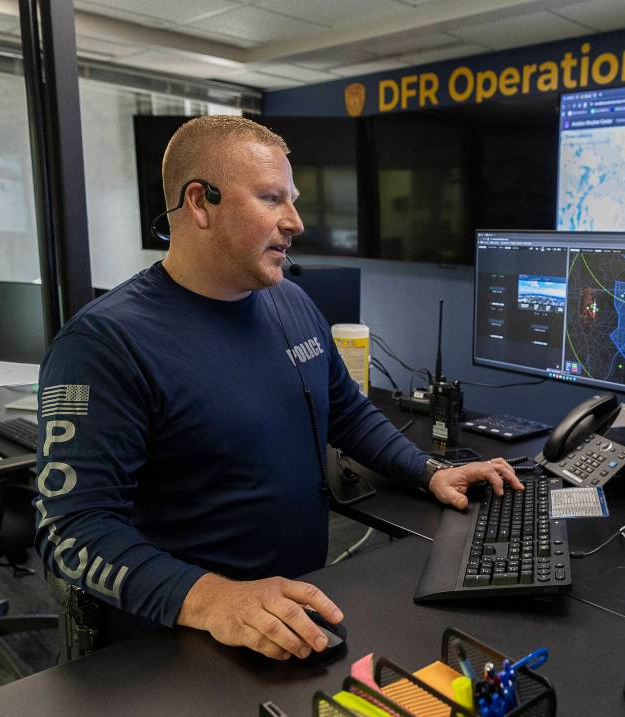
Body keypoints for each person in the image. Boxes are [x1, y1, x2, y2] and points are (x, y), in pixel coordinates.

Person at [33, 115, 522, 662]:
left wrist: (428, 471)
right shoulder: (104, 343)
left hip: (296, 607)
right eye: (271, 199)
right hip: (184, 634)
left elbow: (346, 410)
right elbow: (70, 529)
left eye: (292, 200)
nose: (296, 222)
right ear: (200, 202)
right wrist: (212, 599)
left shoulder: (290, 301)